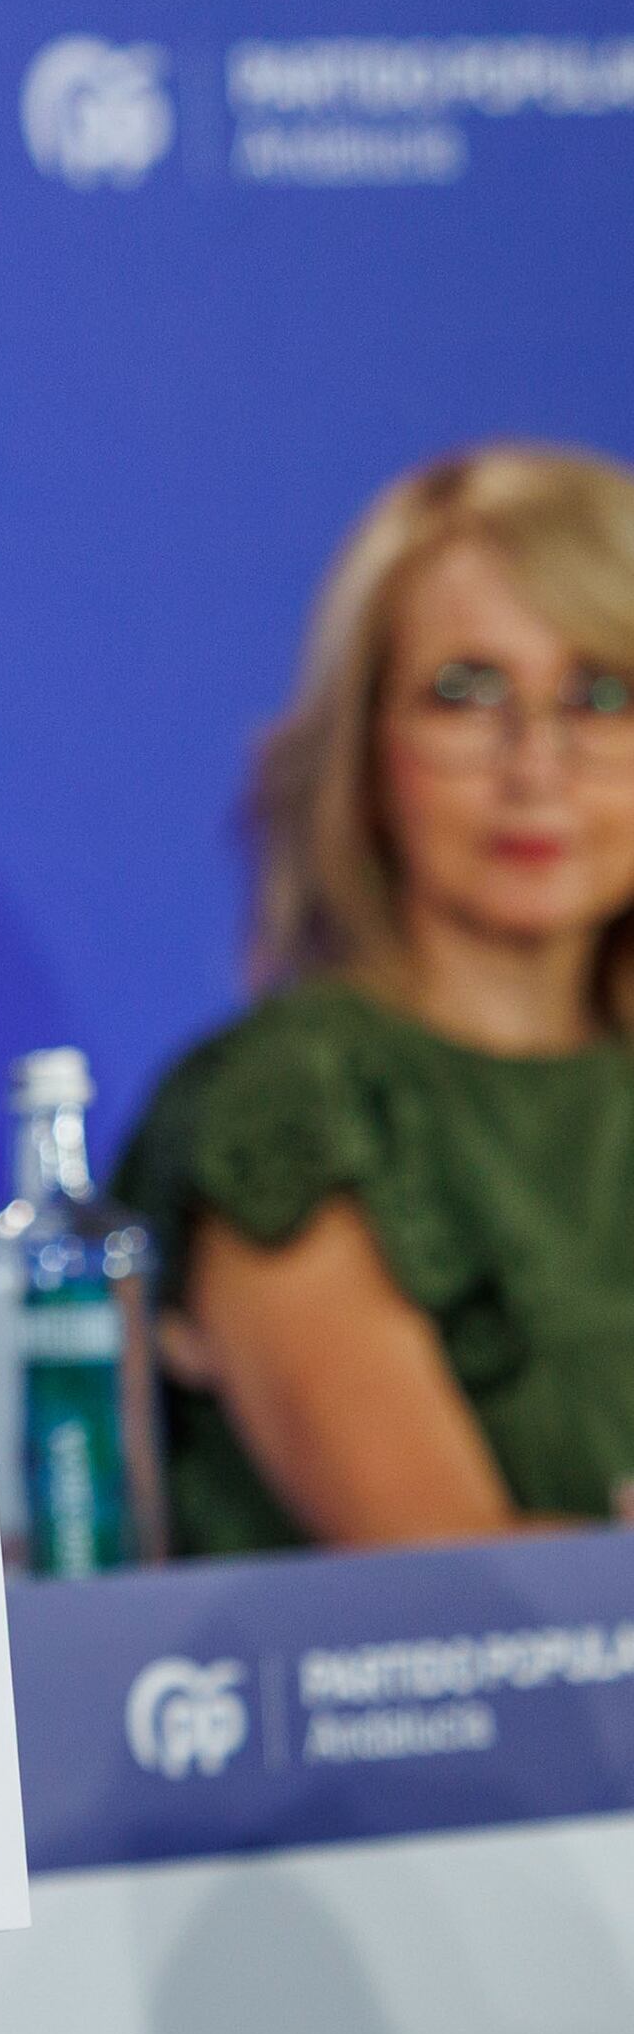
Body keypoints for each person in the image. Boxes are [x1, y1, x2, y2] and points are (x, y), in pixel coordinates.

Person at [121, 443, 634, 1553]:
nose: (535, 769)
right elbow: (448, 1572)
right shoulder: (290, 1102)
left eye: (600, 695)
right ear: (362, 750)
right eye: (465, 694)